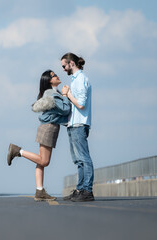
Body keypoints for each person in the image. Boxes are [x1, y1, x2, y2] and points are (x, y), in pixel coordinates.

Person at [7, 70, 71, 202]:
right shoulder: (52, 94)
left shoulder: (51, 93)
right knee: (44, 161)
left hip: (46, 127)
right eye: (53, 75)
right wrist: (65, 95)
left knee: (40, 161)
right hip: (49, 128)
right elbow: (65, 109)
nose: (57, 75)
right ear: (49, 80)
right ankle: (18, 150)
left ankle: (39, 191)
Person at [60, 52, 95, 202]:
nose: (63, 69)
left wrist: (68, 95)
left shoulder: (80, 79)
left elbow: (81, 104)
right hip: (73, 123)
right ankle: (80, 189)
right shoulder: (75, 80)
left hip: (79, 123)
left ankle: (87, 191)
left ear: (71, 63)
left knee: (84, 158)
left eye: (64, 66)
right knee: (78, 160)